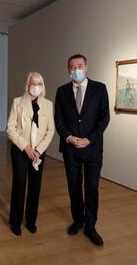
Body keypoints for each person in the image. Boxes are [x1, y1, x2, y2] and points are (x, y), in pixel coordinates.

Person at [54, 54, 110, 246]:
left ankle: (91, 226)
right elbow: (58, 119)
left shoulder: (100, 89)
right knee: (74, 187)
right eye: (72, 67)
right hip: (71, 149)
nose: (76, 69)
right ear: (68, 70)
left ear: (86, 67)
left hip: (92, 149)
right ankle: (77, 220)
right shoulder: (61, 91)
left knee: (92, 187)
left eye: (79, 65)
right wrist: (69, 137)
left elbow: (104, 119)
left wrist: (89, 139)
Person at [6, 72, 55, 236]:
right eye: (32, 84)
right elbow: (10, 129)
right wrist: (26, 147)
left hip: (38, 152)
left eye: (38, 84)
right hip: (21, 150)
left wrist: (38, 150)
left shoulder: (48, 104)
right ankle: (15, 221)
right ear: (28, 85)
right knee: (19, 185)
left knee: (35, 186)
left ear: (42, 86)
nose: (35, 87)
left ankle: (31, 221)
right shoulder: (17, 102)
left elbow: (50, 130)